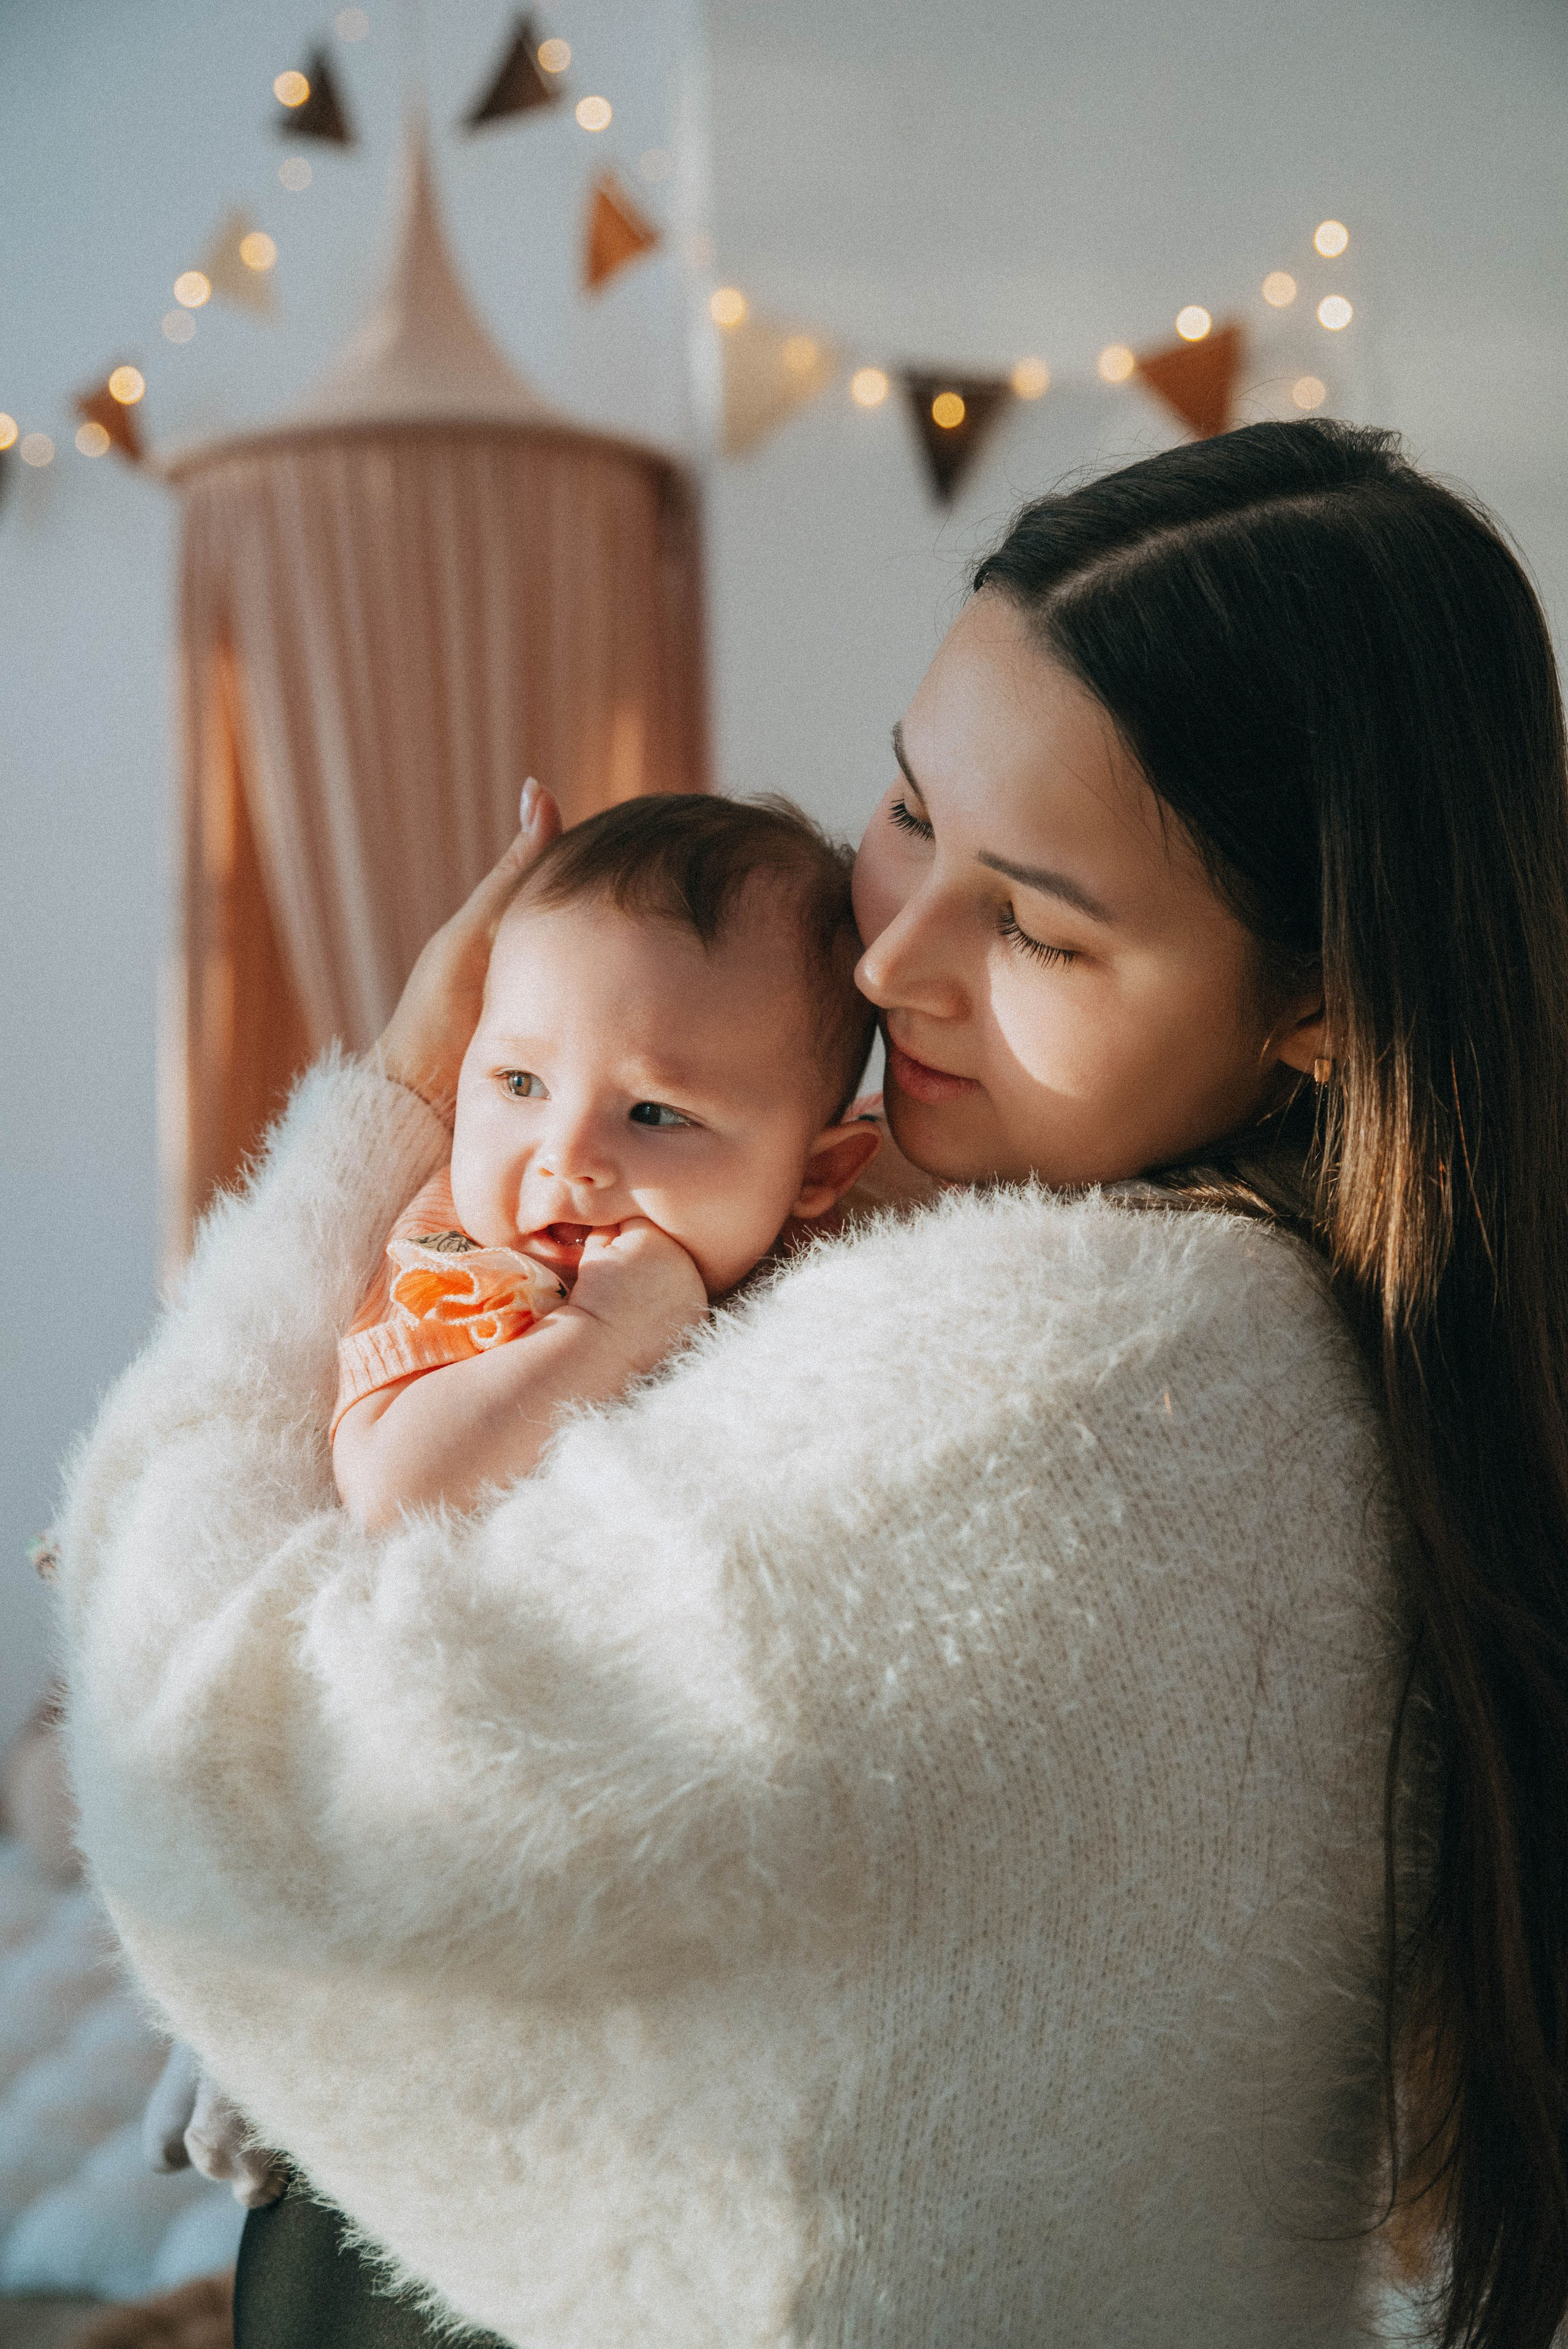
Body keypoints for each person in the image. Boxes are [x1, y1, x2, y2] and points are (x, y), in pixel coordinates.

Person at [53, 420, 1568, 2349]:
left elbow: (226, 1785)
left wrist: (394, 1119)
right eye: (910, 810)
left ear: (1317, 1004)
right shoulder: (1260, 1331)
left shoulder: (1062, 1371)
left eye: (1033, 923)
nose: (888, 959)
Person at [330, 793, 882, 1528]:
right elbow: (393, 1490)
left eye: (652, 1113)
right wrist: (598, 1336)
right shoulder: (469, 1269)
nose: (566, 1157)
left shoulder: (853, 1251)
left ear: (816, 1175)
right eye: (520, 1083)